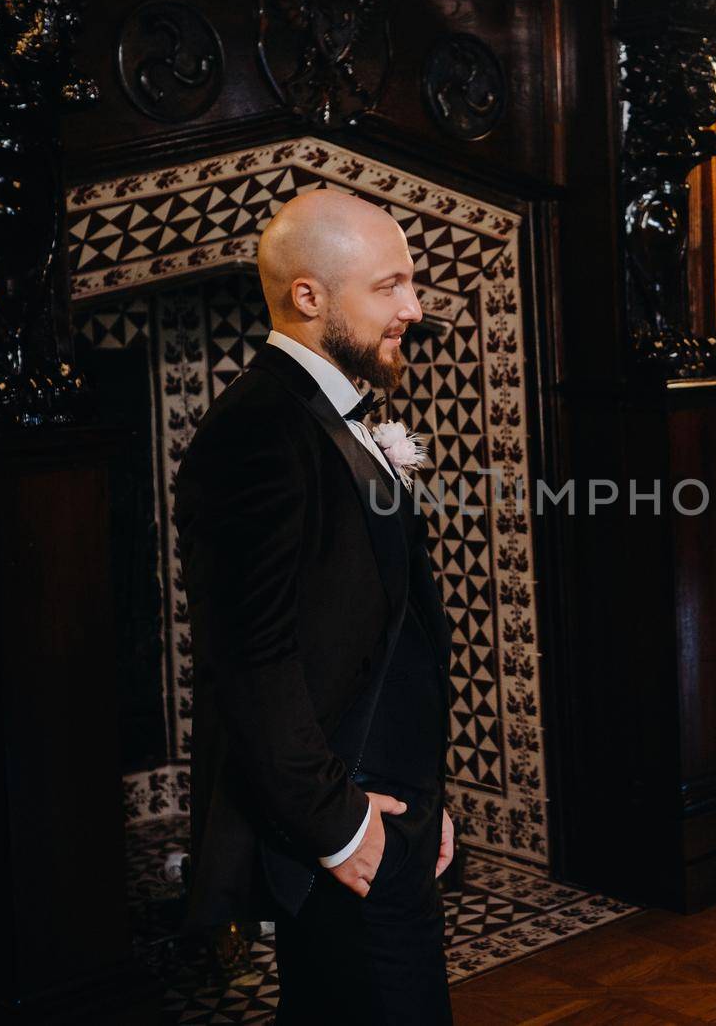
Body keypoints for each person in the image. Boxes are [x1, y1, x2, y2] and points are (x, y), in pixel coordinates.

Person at [175, 189, 455, 1023]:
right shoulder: (255, 429)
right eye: (389, 286)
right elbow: (249, 661)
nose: (413, 308)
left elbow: (384, 634)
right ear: (310, 297)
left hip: (393, 809)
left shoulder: (331, 416)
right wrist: (342, 829)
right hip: (341, 826)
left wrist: (429, 797)